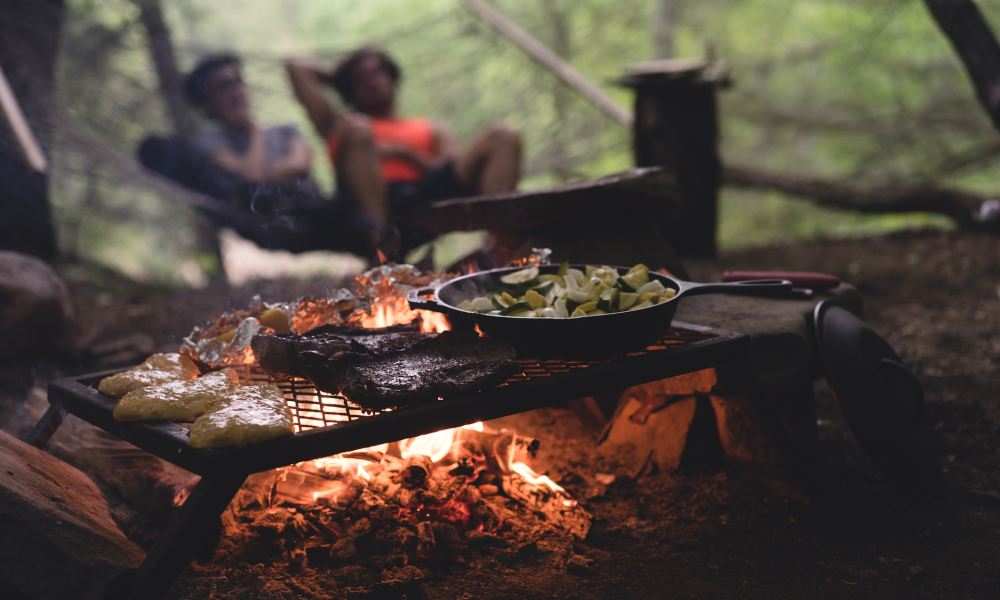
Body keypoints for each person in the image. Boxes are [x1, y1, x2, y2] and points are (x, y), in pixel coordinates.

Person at [139, 53, 381, 256]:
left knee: (357, 135)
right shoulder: (207, 144)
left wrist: (264, 171)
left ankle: (380, 238)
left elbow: (300, 165)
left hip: (321, 210)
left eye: (238, 82)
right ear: (206, 104)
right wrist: (255, 131)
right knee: (356, 225)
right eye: (224, 87)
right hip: (276, 224)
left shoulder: (286, 130)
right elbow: (253, 176)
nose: (237, 92)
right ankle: (379, 241)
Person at [285, 46, 522, 249]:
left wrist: (405, 155)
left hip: (428, 193)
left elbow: (453, 166)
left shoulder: (430, 128)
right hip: (371, 205)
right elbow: (296, 67)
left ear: (393, 77)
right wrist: (339, 77)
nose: (370, 81)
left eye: (376, 71)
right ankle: (382, 244)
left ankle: (499, 242)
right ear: (349, 90)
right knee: (359, 128)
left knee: (504, 135)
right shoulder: (339, 126)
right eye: (359, 79)